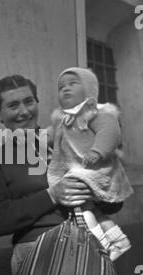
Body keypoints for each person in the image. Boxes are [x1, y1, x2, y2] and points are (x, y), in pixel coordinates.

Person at [0, 74, 122, 275]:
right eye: (13, 105)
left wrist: (95, 188)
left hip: (91, 247)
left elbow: (115, 203)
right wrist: (52, 196)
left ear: (37, 102)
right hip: (35, 256)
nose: (24, 111)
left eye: (29, 101)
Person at [47, 67, 133, 261]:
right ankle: (118, 241)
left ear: (89, 89)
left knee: (79, 206)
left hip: (95, 168)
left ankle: (102, 244)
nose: (66, 89)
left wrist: (97, 151)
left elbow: (110, 132)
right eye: (61, 87)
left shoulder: (96, 113)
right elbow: (55, 136)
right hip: (82, 169)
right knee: (90, 209)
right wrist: (42, 139)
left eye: (73, 84)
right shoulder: (63, 119)